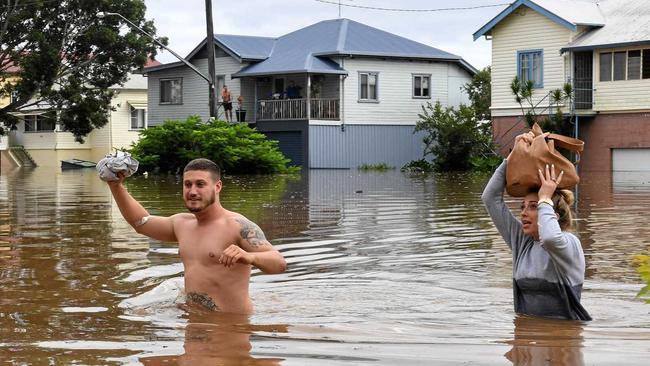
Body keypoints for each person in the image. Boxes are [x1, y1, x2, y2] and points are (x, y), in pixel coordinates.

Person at [106, 158, 287, 314]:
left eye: (200, 184)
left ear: (217, 187)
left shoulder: (237, 225)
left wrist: (250, 256)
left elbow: (279, 263)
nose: (192, 191)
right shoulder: (181, 224)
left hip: (230, 326)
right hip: (194, 321)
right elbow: (141, 223)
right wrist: (116, 186)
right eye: (187, 184)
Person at [481, 131, 591, 321]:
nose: (523, 213)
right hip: (525, 335)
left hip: (563, 339)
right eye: (522, 207)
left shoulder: (569, 243)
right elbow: (490, 198)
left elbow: (549, 238)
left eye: (533, 207)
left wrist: (545, 198)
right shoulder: (521, 242)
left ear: (553, 216)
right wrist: (513, 157)